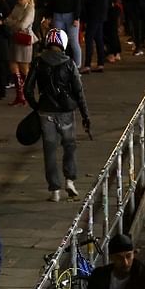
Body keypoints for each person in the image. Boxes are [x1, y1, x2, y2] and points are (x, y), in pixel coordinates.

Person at [25, 29, 92, 202]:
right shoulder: (69, 63)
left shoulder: (38, 62)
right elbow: (79, 91)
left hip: (46, 111)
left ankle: (54, 190)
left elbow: (28, 89)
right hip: (66, 113)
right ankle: (70, 180)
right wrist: (85, 116)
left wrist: (37, 106)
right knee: (69, 146)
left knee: (50, 150)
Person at [44, 0, 82, 68]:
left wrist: (76, 17)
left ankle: (77, 66)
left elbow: (77, 2)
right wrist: (48, 17)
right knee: (58, 43)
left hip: (71, 16)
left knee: (73, 41)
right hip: (57, 16)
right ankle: (60, 65)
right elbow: (50, 2)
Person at [7, 0, 37, 106]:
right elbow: (7, 20)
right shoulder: (16, 7)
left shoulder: (30, 9)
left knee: (24, 67)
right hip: (15, 38)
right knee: (13, 65)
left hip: (25, 41)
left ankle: (27, 93)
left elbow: (23, 25)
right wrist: (15, 23)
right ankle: (19, 95)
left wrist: (14, 23)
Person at [80, 0, 109, 73]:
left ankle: (87, 64)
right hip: (99, 12)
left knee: (89, 37)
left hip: (96, 12)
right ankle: (100, 63)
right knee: (98, 38)